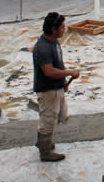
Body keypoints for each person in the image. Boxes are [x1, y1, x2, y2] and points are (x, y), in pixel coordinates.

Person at [32, 12, 80, 162]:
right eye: (62, 27)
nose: (64, 30)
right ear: (53, 28)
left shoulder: (53, 41)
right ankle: (45, 151)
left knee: (58, 116)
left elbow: (56, 65)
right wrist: (69, 72)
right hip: (47, 90)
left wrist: (63, 82)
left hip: (56, 87)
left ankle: (43, 142)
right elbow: (48, 71)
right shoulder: (43, 47)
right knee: (48, 120)